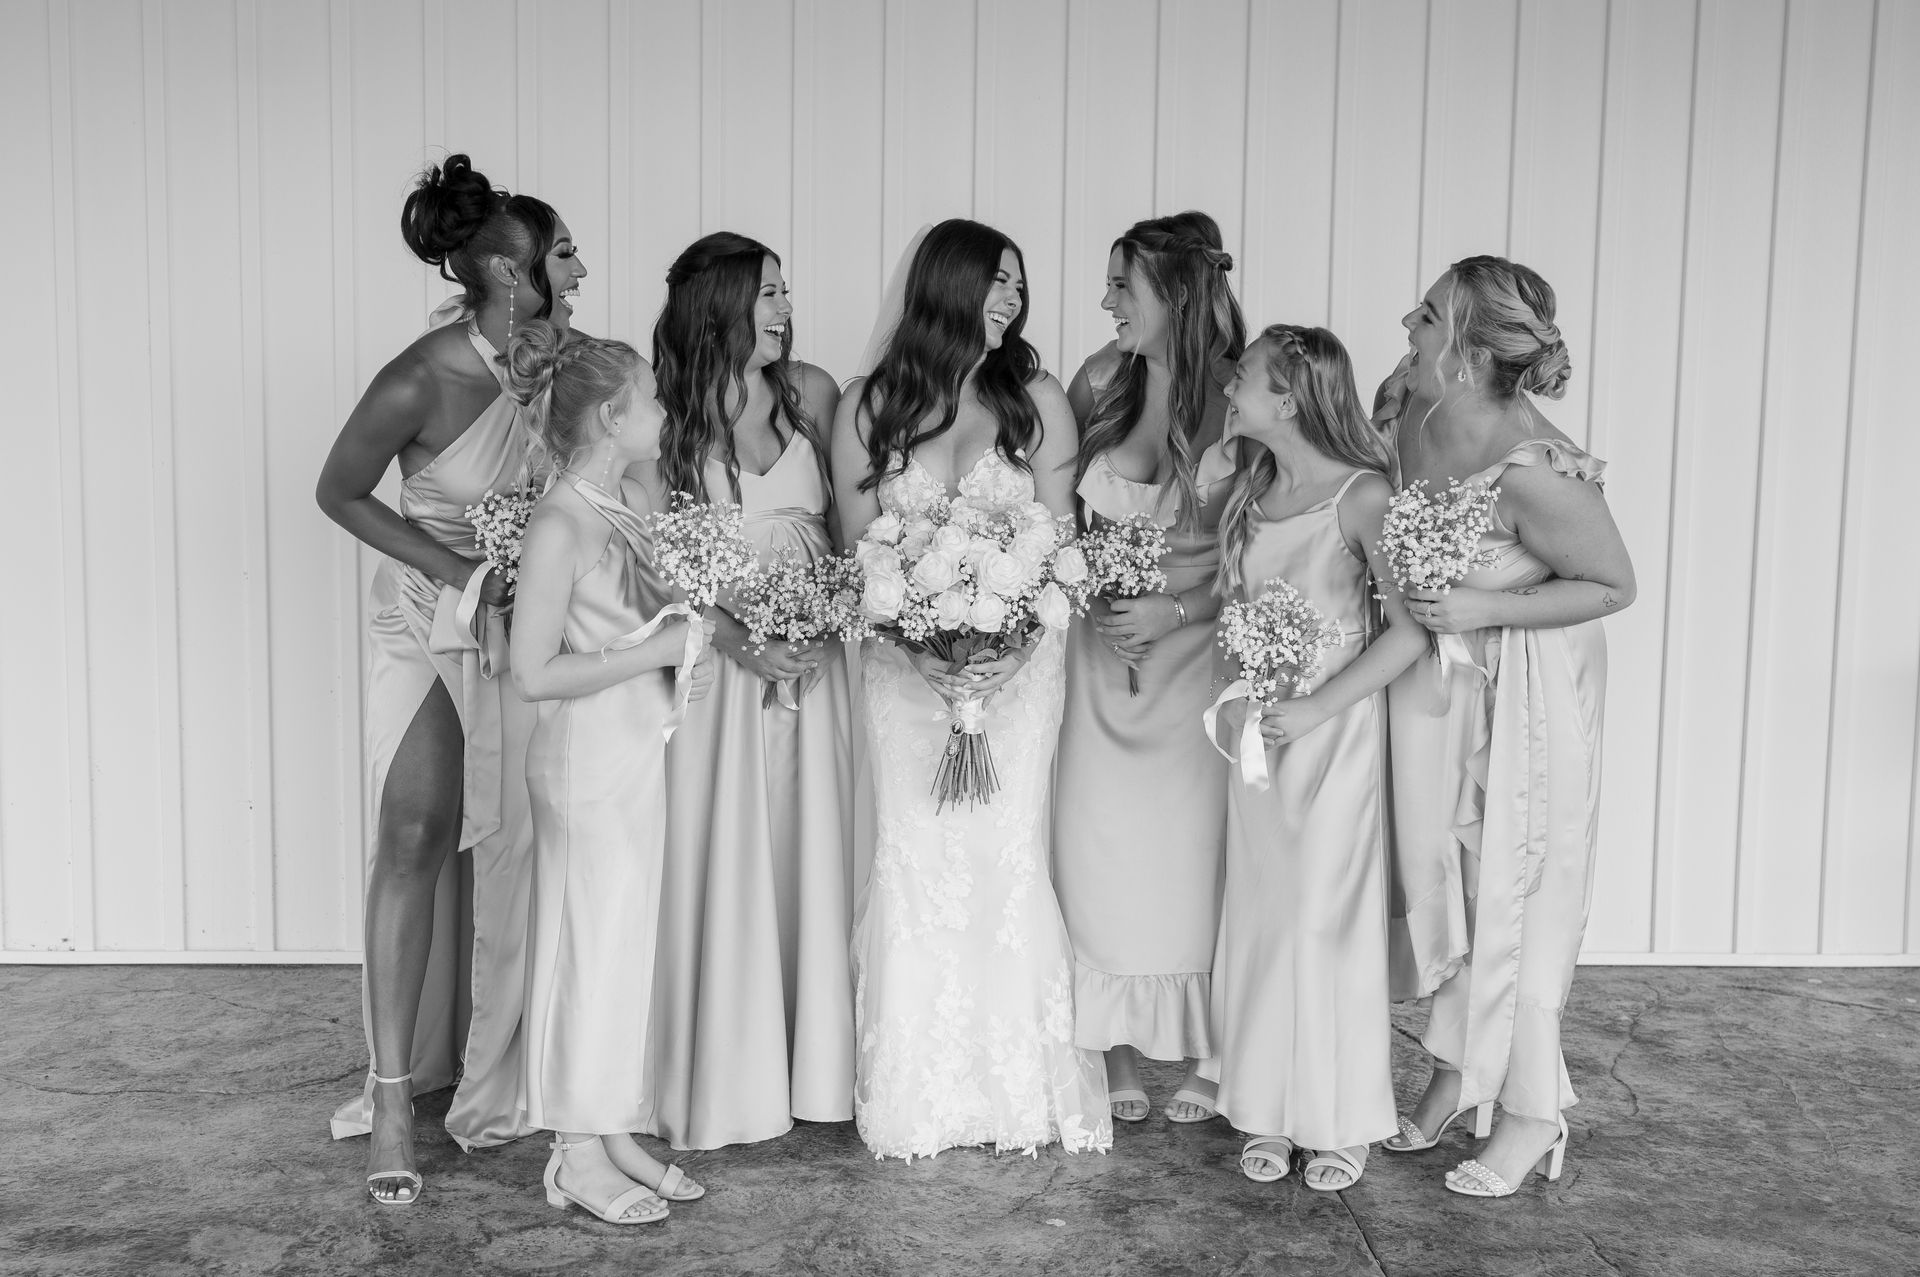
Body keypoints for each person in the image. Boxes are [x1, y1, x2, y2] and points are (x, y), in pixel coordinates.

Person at [314, 154, 585, 1204]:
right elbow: (338, 490)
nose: (583, 266)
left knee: (527, 841)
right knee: (417, 834)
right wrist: (461, 568)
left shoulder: (569, 364)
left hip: (529, 631)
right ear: (513, 274)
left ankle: (507, 1055)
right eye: (565, 252)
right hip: (429, 624)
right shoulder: (420, 375)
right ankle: (389, 1095)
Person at [828, 218, 1109, 1160]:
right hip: (903, 678)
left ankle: (1016, 1087)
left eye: (1017, 288)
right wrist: (923, 650)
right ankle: (917, 1091)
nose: (1009, 301)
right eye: (994, 282)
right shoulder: (869, 403)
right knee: (913, 859)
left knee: (1004, 853)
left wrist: (1007, 654)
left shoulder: (1036, 399)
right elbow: (859, 548)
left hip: (1018, 676)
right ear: (945, 284)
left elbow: (1059, 545)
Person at [1376, 256, 1634, 1197]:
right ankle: (1452, 1069)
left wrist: (1484, 612)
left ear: (1475, 346)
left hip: (1526, 690)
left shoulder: (1538, 470)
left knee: (1516, 885)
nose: (1410, 318)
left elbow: (1613, 586)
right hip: (1439, 683)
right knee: (1442, 873)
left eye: (1431, 311)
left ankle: (1531, 1113)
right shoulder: (1414, 403)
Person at [642, 232, 856, 1151]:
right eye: (765, 291)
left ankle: (816, 1064)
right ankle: (727, 1069)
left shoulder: (812, 393)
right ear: (720, 303)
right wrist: (736, 639)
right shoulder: (665, 415)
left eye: (782, 290)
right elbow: (649, 560)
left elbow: (851, 529)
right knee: (725, 849)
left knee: (812, 849)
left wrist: (828, 614)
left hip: (815, 664)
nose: (781, 306)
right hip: (720, 676)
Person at [1202, 325, 1426, 1190]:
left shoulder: (1361, 496)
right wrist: (1250, 697)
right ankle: (1266, 1105)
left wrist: (1316, 706)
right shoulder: (1250, 489)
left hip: (1332, 737)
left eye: (1245, 378)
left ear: (1290, 396)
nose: (1230, 386)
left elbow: (1408, 632)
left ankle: (1337, 1116)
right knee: (1261, 916)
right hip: (1263, 738)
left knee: (1321, 921)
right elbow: (1244, 612)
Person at [505, 322, 717, 1223]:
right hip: (587, 764)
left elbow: (625, 624)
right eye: (654, 396)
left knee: (624, 947)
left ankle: (614, 1124)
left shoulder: (616, 503)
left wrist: (677, 645)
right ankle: (575, 1153)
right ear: (610, 413)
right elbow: (531, 671)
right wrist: (658, 650)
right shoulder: (559, 523)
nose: (666, 409)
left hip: (632, 757)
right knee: (588, 951)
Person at [1052, 212, 1243, 1126]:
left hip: (1198, 654)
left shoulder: (1247, 393)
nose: (1106, 301)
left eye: (1122, 284)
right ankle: (1115, 1039)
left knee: (1197, 857)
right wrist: (1089, 596)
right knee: (1096, 847)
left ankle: (1216, 1047)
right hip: (1100, 658)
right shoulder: (1098, 381)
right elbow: (1059, 519)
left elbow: (1276, 545)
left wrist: (1177, 609)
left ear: (1174, 291)